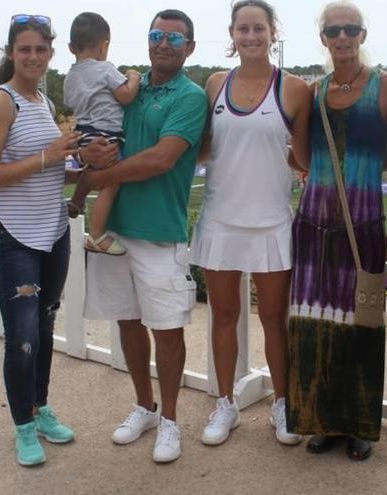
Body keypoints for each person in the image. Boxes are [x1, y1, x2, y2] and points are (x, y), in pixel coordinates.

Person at [78, 9, 207, 464]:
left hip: (159, 232)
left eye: (175, 38)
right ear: (148, 41)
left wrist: (98, 178)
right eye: (157, 35)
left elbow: (160, 159)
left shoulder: (189, 96)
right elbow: (93, 126)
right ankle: (145, 407)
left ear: (190, 48)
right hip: (117, 229)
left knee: (167, 331)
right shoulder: (128, 90)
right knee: (128, 323)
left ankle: (170, 419)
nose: (164, 43)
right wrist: (83, 153)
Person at [287, 0, 387, 462]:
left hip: (364, 223)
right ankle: (321, 419)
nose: (342, 37)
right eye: (333, 30)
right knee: (315, 323)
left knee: (362, 324)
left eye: (350, 29)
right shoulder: (313, 92)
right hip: (314, 222)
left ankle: (359, 424)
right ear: (323, 38)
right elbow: (301, 157)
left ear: (362, 33)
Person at [192, 0, 311, 447]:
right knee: (223, 315)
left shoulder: (297, 89)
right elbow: (202, 149)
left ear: (272, 32)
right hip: (221, 218)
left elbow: (303, 158)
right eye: (243, 29)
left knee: (275, 320)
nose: (251, 36)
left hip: (272, 222)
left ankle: (283, 404)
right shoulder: (214, 84)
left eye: (258, 28)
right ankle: (225, 403)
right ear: (232, 34)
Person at [0, 14, 81, 467]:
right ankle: (22, 426)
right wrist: (48, 155)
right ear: (12, 53)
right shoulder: (2, 102)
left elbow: (52, 169)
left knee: (45, 327)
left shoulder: (43, 102)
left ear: (51, 55)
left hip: (52, 231)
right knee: (22, 338)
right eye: (24, 49)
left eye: (40, 49)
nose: (33, 56)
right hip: (13, 236)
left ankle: (40, 409)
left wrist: (78, 161)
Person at [64, 12, 142, 255]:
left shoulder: (70, 75)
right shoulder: (105, 69)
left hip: (83, 132)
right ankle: (97, 235)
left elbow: (69, 101)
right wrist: (134, 78)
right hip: (106, 132)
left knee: (90, 171)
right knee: (111, 182)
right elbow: (126, 96)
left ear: (70, 47)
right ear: (104, 45)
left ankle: (76, 203)